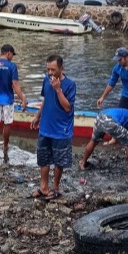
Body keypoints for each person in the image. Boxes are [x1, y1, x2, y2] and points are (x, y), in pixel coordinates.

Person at [29, 54, 76, 200]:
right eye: (48, 69)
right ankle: (43, 187)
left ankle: (55, 188)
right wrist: (38, 116)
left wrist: (58, 89)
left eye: (53, 70)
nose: (50, 73)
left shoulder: (70, 84)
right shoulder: (46, 80)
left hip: (61, 129)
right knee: (43, 158)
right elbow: (45, 99)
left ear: (61, 68)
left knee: (59, 160)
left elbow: (67, 107)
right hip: (45, 126)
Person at [79, 108, 128, 178]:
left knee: (94, 141)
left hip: (100, 116)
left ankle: (83, 162)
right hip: (110, 120)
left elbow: (127, 137)